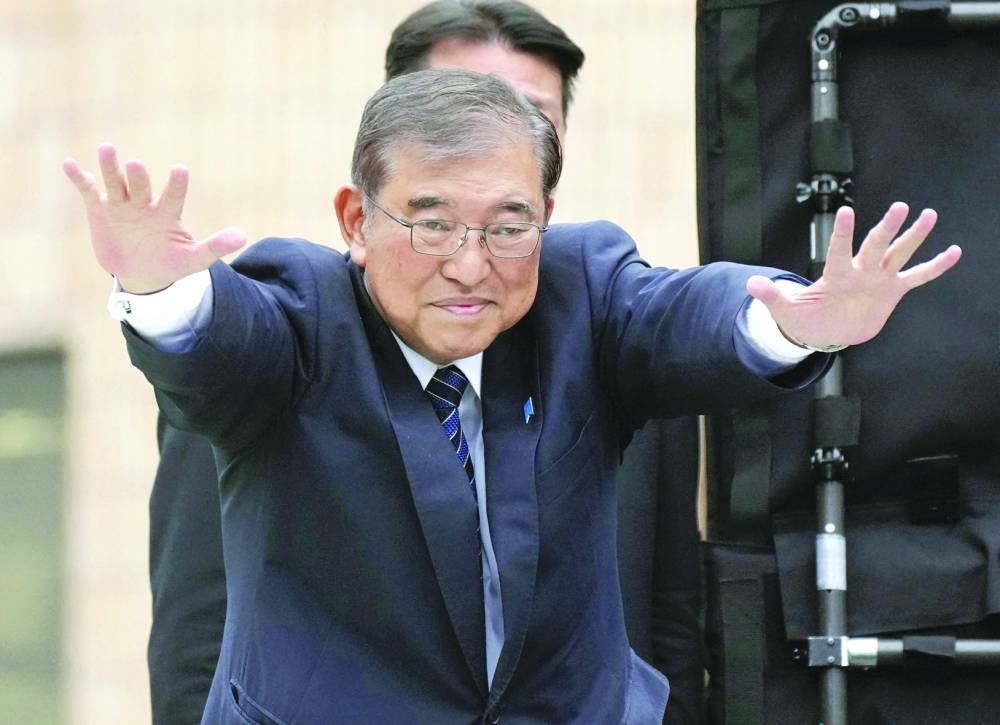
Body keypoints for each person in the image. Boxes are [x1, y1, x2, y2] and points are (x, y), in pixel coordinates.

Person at [64, 68, 958, 724]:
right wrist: (163, 292)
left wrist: (796, 321)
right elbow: (220, 347)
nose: (469, 264)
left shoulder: (580, 288)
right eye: (432, 222)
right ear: (355, 220)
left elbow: (681, 315)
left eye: (507, 225)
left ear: (546, 213)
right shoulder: (301, 311)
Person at [146, 2, 704, 723]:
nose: (485, 126)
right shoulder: (272, 344)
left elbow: (669, 629)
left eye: (526, 110)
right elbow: (198, 629)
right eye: (460, 102)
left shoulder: (624, 336)